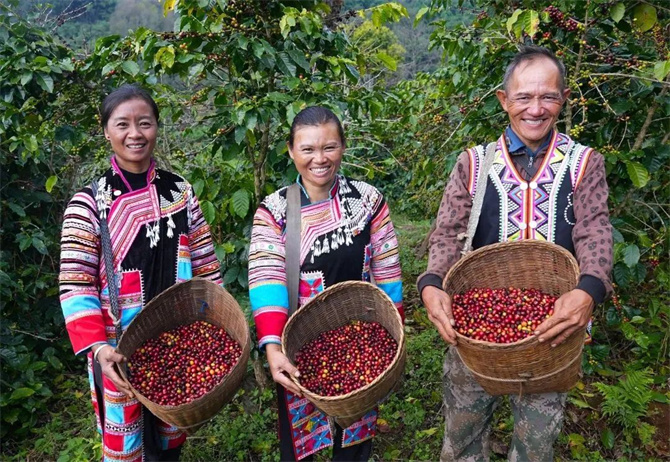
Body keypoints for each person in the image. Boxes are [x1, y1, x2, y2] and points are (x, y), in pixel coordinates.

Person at [417, 46, 613, 461]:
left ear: (564, 98)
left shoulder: (583, 163)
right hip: (475, 335)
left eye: (548, 97)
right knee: (462, 435)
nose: (536, 109)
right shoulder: (473, 164)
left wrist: (588, 291)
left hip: (553, 334)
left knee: (536, 445)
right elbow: (448, 232)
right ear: (504, 100)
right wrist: (432, 284)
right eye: (523, 97)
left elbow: (595, 230)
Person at [59, 84, 222, 461]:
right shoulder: (90, 203)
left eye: (144, 123)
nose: (135, 133)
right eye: (122, 124)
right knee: (127, 447)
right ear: (106, 131)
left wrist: (211, 325)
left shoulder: (179, 192)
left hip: (176, 341)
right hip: (116, 350)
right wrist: (99, 348)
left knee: (168, 443)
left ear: (156, 127)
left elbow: (205, 265)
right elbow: (75, 283)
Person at [248, 106, 404, 461]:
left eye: (329, 147)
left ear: (343, 147)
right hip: (298, 346)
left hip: (361, 342)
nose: (319, 159)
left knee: (353, 442)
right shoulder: (275, 210)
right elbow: (266, 275)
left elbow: (387, 267)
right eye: (308, 149)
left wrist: (394, 328)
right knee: (299, 442)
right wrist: (273, 346)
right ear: (291, 151)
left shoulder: (367, 201)